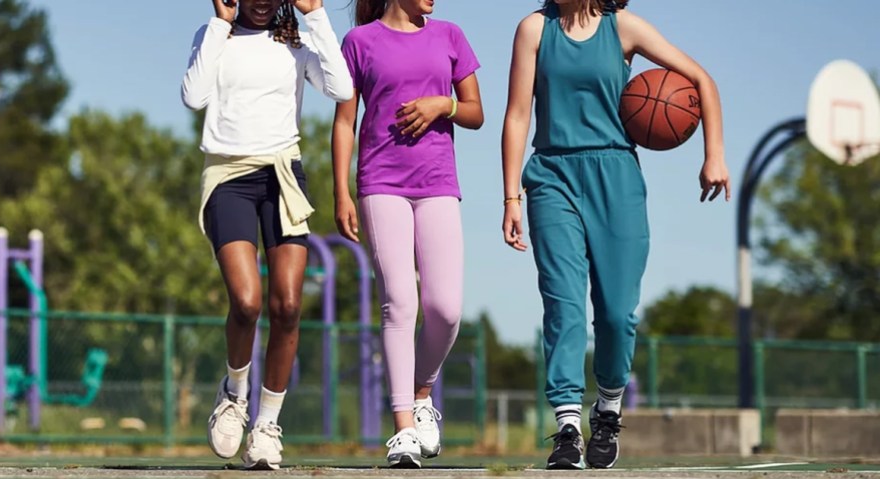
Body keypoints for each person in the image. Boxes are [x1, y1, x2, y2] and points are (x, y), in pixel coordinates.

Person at [500, 0, 729, 470]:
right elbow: (518, 115)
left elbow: (703, 80)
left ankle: (607, 410)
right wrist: (511, 197)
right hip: (551, 176)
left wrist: (714, 154)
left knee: (617, 313)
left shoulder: (623, 28)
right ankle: (566, 427)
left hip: (616, 174)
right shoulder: (533, 30)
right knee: (563, 304)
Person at [181, 0, 352, 469]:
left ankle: (267, 424)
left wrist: (316, 14)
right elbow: (194, 97)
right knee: (247, 301)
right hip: (229, 176)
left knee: (289, 305)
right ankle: (234, 395)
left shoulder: (294, 40)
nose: (261, 2)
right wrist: (219, 23)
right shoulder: (214, 35)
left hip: (283, 175)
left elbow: (341, 86)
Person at [331, 0, 484, 468]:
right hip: (380, 184)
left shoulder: (451, 36)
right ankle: (402, 431)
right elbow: (344, 122)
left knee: (446, 308)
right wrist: (341, 191)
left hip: (438, 183)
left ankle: (422, 392)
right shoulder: (359, 42)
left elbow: (476, 112)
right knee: (400, 301)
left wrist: (445, 105)